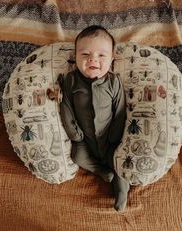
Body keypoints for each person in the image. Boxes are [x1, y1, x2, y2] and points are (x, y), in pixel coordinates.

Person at [50, 25, 130, 211]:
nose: (93, 58)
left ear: (112, 59)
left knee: (118, 162)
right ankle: (102, 172)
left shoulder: (113, 82)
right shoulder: (71, 81)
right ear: (75, 57)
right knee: (77, 156)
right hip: (83, 140)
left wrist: (115, 137)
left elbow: (120, 109)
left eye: (102, 55)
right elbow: (66, 107)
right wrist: (75, 136)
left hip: (111, 139)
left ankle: (121, 190)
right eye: (85, 54)